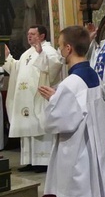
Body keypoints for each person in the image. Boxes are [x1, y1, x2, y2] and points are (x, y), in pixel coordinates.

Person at [39, 25, 105, 197]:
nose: (60, 50)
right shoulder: (91, 75)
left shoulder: (71, 83)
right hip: (91, 155)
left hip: (78, 159)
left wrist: (53, 102)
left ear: (68, 48)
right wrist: (58, 98)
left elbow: (55, 122)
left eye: (60, 46)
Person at [3, 25, 64, 172]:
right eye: (28, 34)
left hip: (39, 97)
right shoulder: (26, 54)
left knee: (40, 128)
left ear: (42, 36)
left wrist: (41, 54)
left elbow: (55, 66)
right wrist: (7, 57)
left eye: (32, 34)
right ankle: (31, 161)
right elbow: (16, 69)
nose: (29, 36)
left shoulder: (48, 50)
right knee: (28, 128)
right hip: (25, 99)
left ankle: (44, 161)